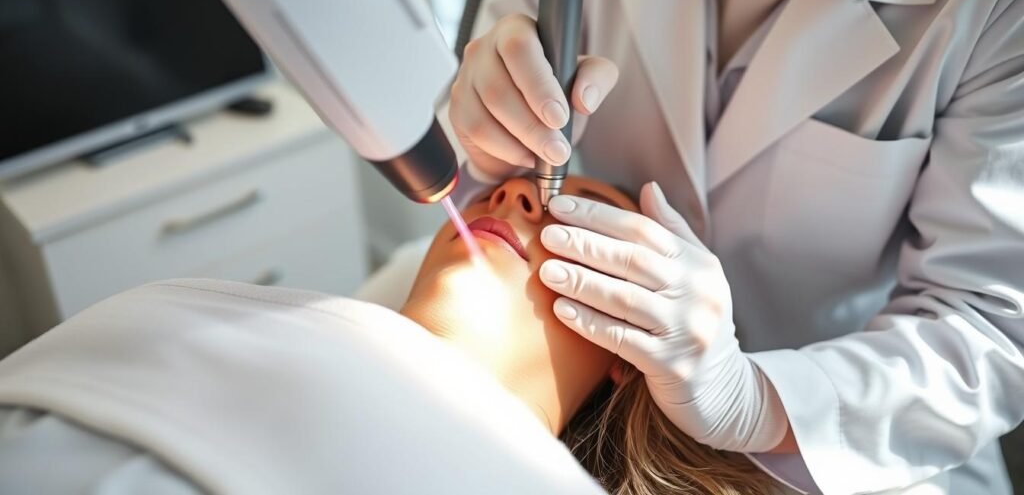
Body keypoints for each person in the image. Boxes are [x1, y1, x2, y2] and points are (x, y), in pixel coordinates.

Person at [447, 0, 1024, 493]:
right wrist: (485, 148)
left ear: (625, 369)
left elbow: (992, 330)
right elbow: (463, 196)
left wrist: (755, 403)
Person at [0, 176, 783, 495]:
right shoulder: (182, 308)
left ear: (631, 347)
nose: (517, 191)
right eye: (522, 181)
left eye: (585, 219)